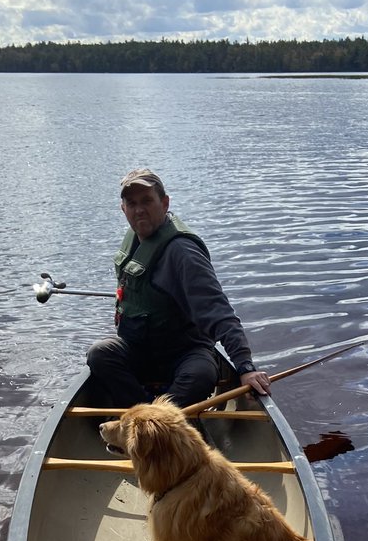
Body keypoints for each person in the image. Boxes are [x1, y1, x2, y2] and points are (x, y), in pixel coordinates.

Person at [86, 168, 271, 407]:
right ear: (123, 209)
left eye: (147, 201)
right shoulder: (134, 241)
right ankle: (149, 413)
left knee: (201, 375)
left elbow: (219, 311)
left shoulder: (183, 252)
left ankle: (153, 421)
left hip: (183, 354)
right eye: (131, 203)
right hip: (140, 352)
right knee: (100, 354)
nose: (139, 209)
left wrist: (245, 366)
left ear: (164, 203)